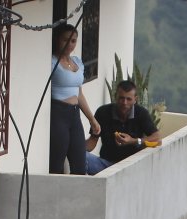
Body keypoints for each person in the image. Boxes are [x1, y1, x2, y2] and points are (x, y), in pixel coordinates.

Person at [49, 22, 100, 175]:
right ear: (57, 39)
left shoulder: (77, 62)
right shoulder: (51, 61)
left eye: (73, 41)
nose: (70, 44)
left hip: (74, 114)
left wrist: (92, 119)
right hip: (58, 112)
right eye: (66, 40)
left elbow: (79, 94)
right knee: (57, 160)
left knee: (79, 159)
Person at [85, 80, 161, 175]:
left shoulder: (141, 113)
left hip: (132, 167)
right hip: (106, 166)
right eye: (121, 98)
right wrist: (76, 148)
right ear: (116, 96)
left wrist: (133, 141)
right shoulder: (103, 112)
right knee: (81, 156)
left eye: (128, 99)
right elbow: (93, 140)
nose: (124, 103)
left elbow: (157, 139)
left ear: (135, 99)